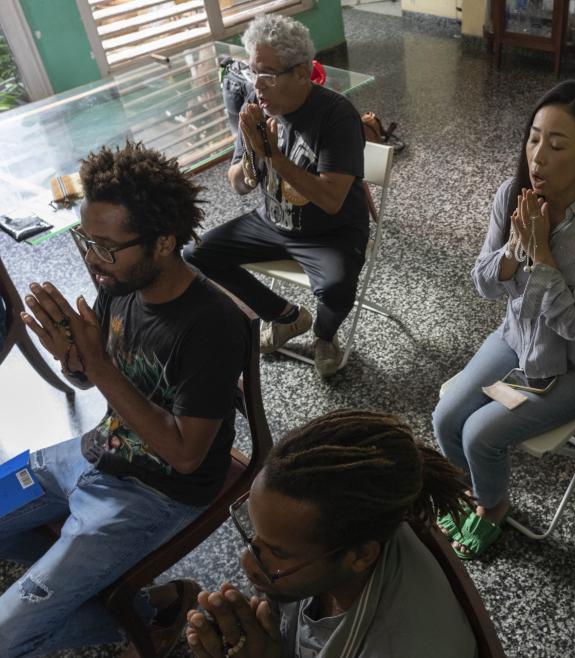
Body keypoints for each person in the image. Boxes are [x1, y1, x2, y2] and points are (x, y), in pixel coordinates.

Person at [1, 141, 250, 657]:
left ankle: (134, 621)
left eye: (107, 247)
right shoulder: (118, 283)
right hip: (92, 453)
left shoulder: (211, 325)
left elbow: (185, 456)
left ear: (163, 242)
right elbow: (94, 380)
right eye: (87, 242)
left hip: (153, 493)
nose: (93, 261)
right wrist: (73, 357)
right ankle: (146, 604)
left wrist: (97, 365)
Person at [430, 80, 575, 559]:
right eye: (534, 138)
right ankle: (479, 491)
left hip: (574, 366)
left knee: (480, 434)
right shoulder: (511, 195)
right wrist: (516, 249)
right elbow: (483, 282)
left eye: (557, 144)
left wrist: (542, 253)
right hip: (514, 340)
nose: (538, 155)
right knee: (445, 419)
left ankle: (493, 507)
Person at [182, 409, 478, 658]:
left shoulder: (403, 647)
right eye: (254, 535)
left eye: (279, 553)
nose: (247, 560)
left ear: (361, 555)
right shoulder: (354, 527)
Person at [184, 14, 368, 377]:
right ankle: (285, 317)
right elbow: (237, 183)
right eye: (253, 72)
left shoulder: (336, 116)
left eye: (267, 74)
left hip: (330, 230)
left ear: (302, 72)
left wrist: (276, 158)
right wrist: (252, 159)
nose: (257, 85)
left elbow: (331, 199)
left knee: (336, 287)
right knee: (195, 254)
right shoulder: (256, 103)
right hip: (272, 222)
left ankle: (324, 335)